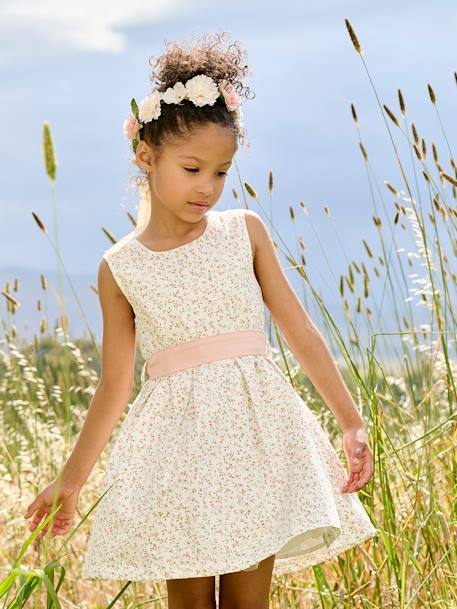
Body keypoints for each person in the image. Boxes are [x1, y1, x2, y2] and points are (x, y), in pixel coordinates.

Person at [23, 30, 377, 609]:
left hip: (256, 440)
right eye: (192, 168)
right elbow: (116, 385)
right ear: (146, 156)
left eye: (221, 171)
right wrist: (71, 479)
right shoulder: (121, 268)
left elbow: (299, 330)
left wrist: (349, 419)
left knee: (246, 602)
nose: (207, 187)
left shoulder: (245, 232)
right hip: (174, 454)